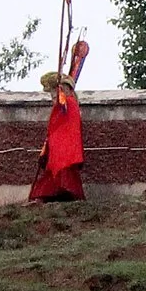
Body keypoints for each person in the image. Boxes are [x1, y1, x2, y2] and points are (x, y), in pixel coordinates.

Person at [28, 63, 88, 203]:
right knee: (54, 167)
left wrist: (60, 91)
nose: (52, 99)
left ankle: (68, 193)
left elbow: (64, 110)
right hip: (58, 141)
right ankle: (49, 195)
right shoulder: (64, 104)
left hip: (66, 142)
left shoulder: (69, 103)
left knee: (64, 166)